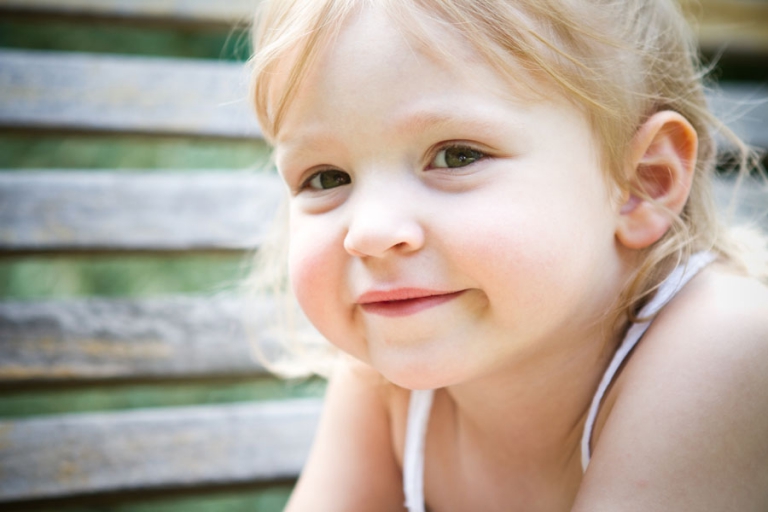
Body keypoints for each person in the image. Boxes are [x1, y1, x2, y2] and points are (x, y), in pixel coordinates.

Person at [246, 0, 768, 510]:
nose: (370, 232)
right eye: (326, 178)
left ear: (641, 182)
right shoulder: (384, 381)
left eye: (456, 156)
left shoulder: (728, 343)